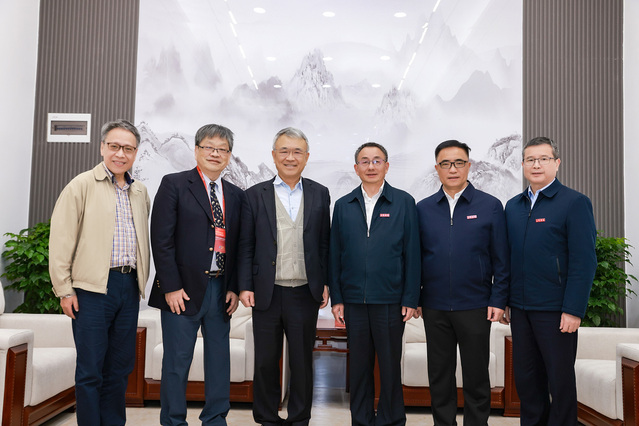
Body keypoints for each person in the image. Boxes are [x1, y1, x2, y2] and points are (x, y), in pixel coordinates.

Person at [49, 119, 150, 425]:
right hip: (91, 290)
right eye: (115, 146)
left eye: (128, 148)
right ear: (103, 147)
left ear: (135, 153)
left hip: (128, 287)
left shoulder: (139, 191)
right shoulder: (80, 185)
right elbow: (61, 240)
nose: (121, 154)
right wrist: (64, 290)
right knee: (91, 370)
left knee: (119, 369)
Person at [148, 124, 244, 425]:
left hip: (220, 289)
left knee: (219, 360)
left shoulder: (236, 195)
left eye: (222, 149)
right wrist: (171, 286)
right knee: (177, 362)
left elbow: (239, 245)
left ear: (229, 155)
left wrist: (233, 287)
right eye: (209, 147)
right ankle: (173, 421)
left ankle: (215, 419)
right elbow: (161, 240)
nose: (215, 153)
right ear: (197, 150)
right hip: (182, 290)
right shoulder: (175, 184)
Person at [238, 127, 330, 426]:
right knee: (265, 361)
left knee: (302, 361)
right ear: (274, 155)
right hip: (267, 291)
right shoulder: (254, 195)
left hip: (305, 291)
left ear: (306, 157)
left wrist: (325, 282)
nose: (291, 157)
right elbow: (246, 244)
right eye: (284, 151)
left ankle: (300, 418)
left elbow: (325, 243)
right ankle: (267, 418)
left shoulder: (320, 193)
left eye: (297, 151)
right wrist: (245, 285)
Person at [503, 136, 597, 425]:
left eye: (543, 159)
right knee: (527, 380)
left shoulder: (574, 203)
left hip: (556, 311)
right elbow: (507, 258)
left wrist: (573, 309)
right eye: (530, 159)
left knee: (560, 380)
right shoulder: (513, 206)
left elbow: (584, 261)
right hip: (520, 309)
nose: (536, 165)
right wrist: (506, 301)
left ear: (557, 163)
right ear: (522, 165)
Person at [415, 139, 509, 425]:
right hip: (434, 306)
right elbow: (415, 258)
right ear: (437, 168)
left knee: (476, 375)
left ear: (469, 166)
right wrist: (415, 298)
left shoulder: (490, 206)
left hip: (476, 305)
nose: (452, 169)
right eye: (445, 164)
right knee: (439, 375)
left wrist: (498, 299)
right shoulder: (423, 209)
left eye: (458, 163)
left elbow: (502, 259)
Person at [329, 142, 421, 426]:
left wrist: (411, 298)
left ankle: (391, 421)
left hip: (391, 302)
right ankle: (362, 420)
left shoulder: (404, 202)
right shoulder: (343, 205)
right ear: (356, 168)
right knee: (359, 367)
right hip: (354, 302)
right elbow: (334, 255)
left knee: (390, 368)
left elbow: (413, 253)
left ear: (387, 166)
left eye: (377, 161)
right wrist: (337, 298)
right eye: (365, 161)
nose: (371, 166)